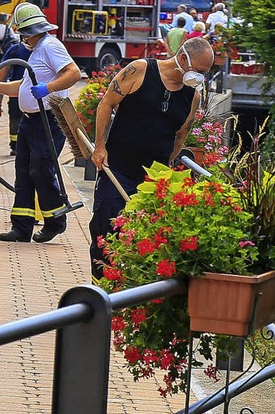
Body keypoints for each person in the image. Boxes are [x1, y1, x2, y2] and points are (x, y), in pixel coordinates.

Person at [89, 37, 215, 277]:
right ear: (183, 58)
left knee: (143, 241)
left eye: (205, 73)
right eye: (199, 71)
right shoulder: (140, 70)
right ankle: (99, 294)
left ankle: (126, 295)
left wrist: (167, 164)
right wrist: (99, 147)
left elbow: (180, 136)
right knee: (104, 233)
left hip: (152, 180)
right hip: (118, 168)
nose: (201, 78)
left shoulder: (192, 96)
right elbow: (106, 103)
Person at [0, 2, 81, 243]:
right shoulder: (36, 50)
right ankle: (21, 227)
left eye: (24, 33)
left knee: (41, 169)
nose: (23, 37)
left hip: (48, 120)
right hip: (30, 120)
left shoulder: (50, 46)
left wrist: (48, 88)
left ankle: (55, 220)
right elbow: (25, 88)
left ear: (29, 31)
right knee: (23, 171)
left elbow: (73, 73)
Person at [0, 39, 31, 155]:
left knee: (17, 118)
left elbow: (3, 69)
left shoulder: (16, 50)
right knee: (18, 117)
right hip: (18, 90)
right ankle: (17, 145)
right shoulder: (16, 50)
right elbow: (4, 68)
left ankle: (16, 146)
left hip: (22, 91)